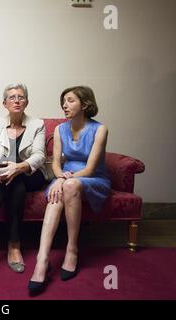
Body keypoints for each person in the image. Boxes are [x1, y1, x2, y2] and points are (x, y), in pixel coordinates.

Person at [28, 86, 111, 295]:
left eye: (70, 100)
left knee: (69, 185)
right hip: (64, 178)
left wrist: (65, 180)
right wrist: (58, 178)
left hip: (92, 178)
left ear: (85, 104)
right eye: (63, 101)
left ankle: (72, 249)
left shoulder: (100, 129)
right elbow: (56, 164)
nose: (64, 105)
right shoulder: (59, 129)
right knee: (59, 192)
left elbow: (91, 168)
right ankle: (42, 259)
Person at [0, 83, 47, 273]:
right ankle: (14, 245)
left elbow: (39, 156)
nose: (17, 100)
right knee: (13, 183)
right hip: (1, 175)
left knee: (17, 178)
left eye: (21, 97)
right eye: (12, 97)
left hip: (30, 174)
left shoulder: (38, 124)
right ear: (4, 103)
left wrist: (18, 167)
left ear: (27, 102)